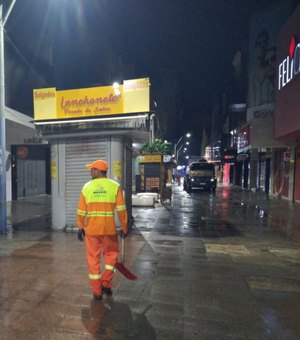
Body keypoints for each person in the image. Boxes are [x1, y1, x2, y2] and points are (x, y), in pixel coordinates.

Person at [77, 159, 128, 300]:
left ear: (98, 171)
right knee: (111, 257)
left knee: (93, 260)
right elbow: (122, 210)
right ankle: (106, 282)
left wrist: (80, 227)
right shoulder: (115, 186)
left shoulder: (87, 187)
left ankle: (97, 292)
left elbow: (81, 210)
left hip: (92, 231)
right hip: (109, 230)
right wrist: (124, 227)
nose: (90, 171)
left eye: (92, 169)